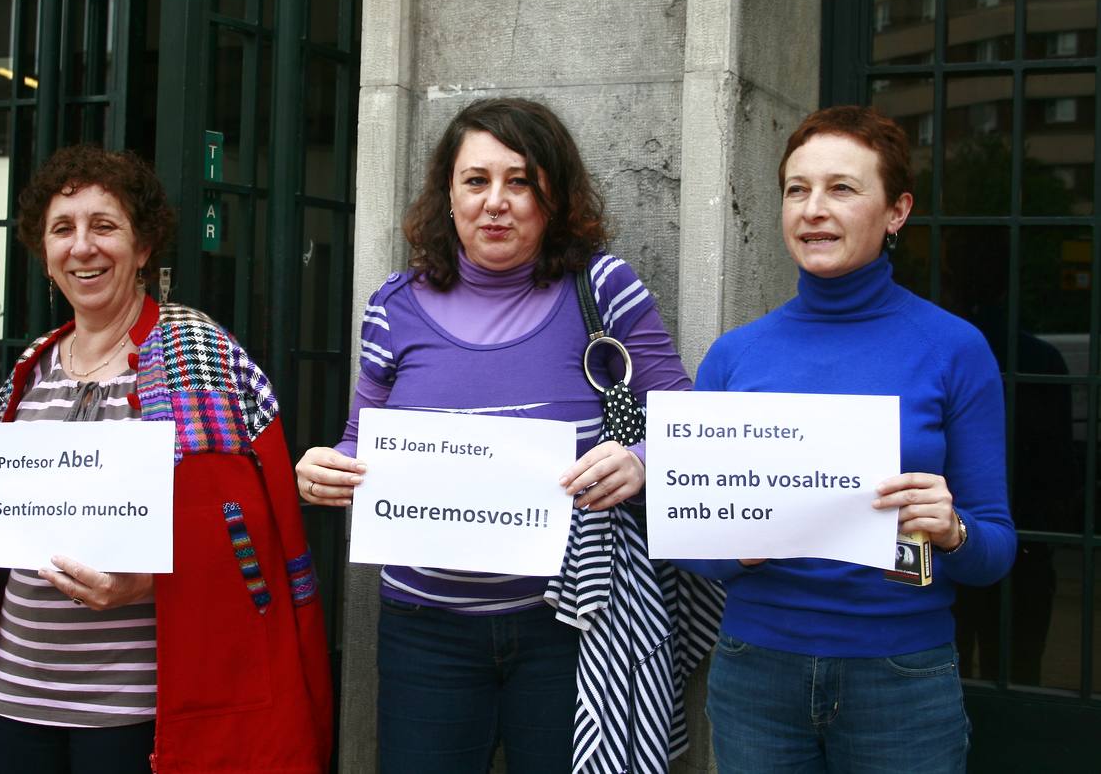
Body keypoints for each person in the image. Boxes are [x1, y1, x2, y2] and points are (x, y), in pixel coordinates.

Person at [297, 97, 719, 773]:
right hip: (423, 628)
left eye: (520, 181)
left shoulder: (603, 288)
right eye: (476, 181)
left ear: (554, 193)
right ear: (448, 195)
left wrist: (640, 461)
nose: (496, 202)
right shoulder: (393, 306)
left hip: (567, 624)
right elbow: (359, 444)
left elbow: (691, 424)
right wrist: (325, 468)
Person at [0, 146, 332, 774]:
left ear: (144, 246)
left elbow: (256, 531)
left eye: (105, 226)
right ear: (44, 254)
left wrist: (154, 582)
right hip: (15, 695)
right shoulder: (28, 370)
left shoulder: (205, 358)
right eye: (63, 230)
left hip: (136, 710)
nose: (83, 247)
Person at [679, 106, 1016, 773]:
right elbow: (697, 547)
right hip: (756, 672)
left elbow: (995, 549)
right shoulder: (734, 357)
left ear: (897, 211)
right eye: (797, 189)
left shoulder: (954, 350)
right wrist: (735, 545)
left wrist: (952, 531)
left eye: (842, 188)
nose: (813, 209)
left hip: (902, 675)